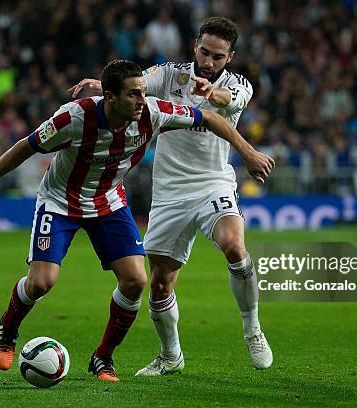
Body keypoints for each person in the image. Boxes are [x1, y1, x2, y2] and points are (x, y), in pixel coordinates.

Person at [0, 59, 274, 382]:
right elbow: (24, 147)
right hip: (60, 203)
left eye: (143, 92)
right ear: (109, 98)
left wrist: (248, 153)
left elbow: (209, 117)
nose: (142, 101)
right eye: (133, 95)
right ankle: (8, 329)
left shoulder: (153, 112)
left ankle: (103, 357)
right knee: (42, 282)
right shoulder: (74, 117)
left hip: (108, 203)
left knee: (137, 281)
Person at [68, 17, 274, 375]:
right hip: (168, 192)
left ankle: (252, 328)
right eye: (205, 52)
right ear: (195, 45)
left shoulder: (239, 85)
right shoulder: (170, 74)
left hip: (213, 183)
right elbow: (138, 83)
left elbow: (229, 99)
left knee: (235, 247)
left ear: (231, 57)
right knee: (161, 283)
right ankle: (171, 356)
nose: (209, 62)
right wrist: (102, 85)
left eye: (218, 57)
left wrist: (211, 93)